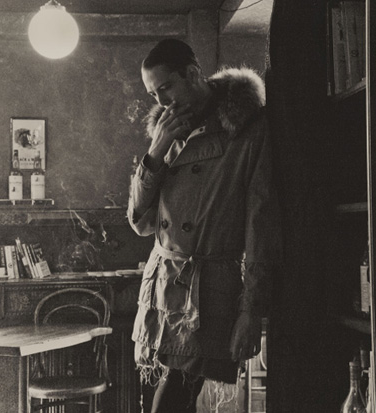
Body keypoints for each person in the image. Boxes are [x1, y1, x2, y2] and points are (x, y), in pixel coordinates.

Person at [127, 38, 280, 413]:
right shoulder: (167, 132)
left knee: (176, 394)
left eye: (166, 87)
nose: (162, 101)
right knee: (175, 393)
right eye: (153, 93)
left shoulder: (248, 128)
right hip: (163, 285)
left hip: (209, 289)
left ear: (193, 73)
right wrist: (155, 152)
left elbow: (261, 225)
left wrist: (250, 310)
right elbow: (140, 222)